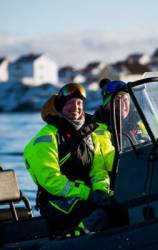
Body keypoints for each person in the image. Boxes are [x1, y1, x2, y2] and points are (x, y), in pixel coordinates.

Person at [23, 83, 115, 238]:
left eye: (79, 103)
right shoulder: (45, 139)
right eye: (70, 103)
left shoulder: (92, 134)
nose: (76, 107)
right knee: (100, 215)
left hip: (86, 196)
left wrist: (100, 190)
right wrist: (87, 193)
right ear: (60, 106)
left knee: (118, 208)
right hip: (56, 202)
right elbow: (51, 179)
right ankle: (72, 236)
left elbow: (98, 170)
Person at [98, 79, 149, 150]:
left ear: (130, 103)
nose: (122, 105)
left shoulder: (141, 123)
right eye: (116, 101)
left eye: (125, 100)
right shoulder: (97, 131)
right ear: (107, 106)